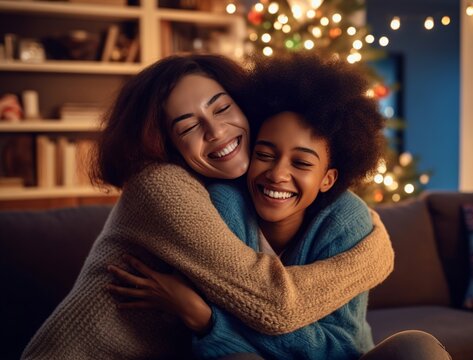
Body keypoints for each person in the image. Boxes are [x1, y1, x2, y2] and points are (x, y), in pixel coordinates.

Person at [22, 54, 394, 359]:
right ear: (165, 142)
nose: (215, 132)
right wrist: (372, 257)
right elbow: (274, 303)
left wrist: (203, 317)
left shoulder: (230, 187)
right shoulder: (163, 186)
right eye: (187, 127)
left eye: (222, 108)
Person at [110, 54, 452, 360]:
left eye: (302, 163)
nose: (277, 174)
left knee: (417, 347)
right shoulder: (221, 207)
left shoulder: (347, 221)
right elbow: (219, 348)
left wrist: (206, 319)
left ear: (328, 179)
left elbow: (342, 347)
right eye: (264, 154)